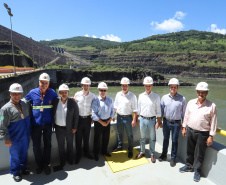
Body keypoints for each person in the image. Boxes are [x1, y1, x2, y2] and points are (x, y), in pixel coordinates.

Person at [179, 82, 217, 182]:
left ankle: (197, 171)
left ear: (207, 93)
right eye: (199, 92)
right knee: (189, 150)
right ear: (196, 92)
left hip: (203, 133)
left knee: (200, 153)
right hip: (190, 130)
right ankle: (188, 166)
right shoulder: (191, 102)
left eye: (203, 92)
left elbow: (214, 122)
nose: (200, 94)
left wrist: (211, 136)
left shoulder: (212, 106)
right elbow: (186, 116)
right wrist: (184, 127)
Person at [25, 73, 58, 175]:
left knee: (48, 145)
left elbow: (60, 100)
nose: (44, 84)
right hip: (35, 124)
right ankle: (39, 165)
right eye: (42, 82)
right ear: (39, 82)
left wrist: (71, 99)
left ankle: (46, 165)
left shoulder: (52, 93)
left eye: (46, 83)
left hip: (48, 124)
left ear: (48, 83)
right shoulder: (32, 93)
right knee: (36, 146)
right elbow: (23, 102)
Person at [0, 83, 31, 182]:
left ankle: (22, 168)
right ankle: (15, 172)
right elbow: (2, 125)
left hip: (25, 136)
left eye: (18, 93)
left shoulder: (24, 104)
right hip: (14, 138)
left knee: (24, 153)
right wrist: (6, 138)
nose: (17, 96)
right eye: (14, 94)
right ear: (10, 94)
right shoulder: (4, 109)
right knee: (15, 156)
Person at [159, 78, 186, 167]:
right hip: (166, 122)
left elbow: (184, 113)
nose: (173, 88)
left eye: (175, 87)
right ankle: (164, 155)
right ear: (169, 87)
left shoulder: (182, 99)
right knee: (165, 139)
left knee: (175, 141)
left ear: (177, 87)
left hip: (176, 123)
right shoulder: (164, 98)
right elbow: (161, 111)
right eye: (171, 87)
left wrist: (184, 125)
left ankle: (173, 158)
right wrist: (159, 121)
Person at [136, 76, 162, 163]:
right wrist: (136, 119)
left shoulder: (156, 97)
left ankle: (152, 154)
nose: (148, 87)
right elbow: (138, 109)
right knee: (142, 137)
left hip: (152, 120)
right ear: (144, 86)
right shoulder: (140, 96)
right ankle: (142, 151)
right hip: (142, 119)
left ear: (152, 85)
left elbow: (158, 111)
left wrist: (158, 121)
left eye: (149, 85)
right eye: (146, 85)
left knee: (152, 138)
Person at [52, 84, 79, 167]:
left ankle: (70, 159)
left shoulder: (72, 102)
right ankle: (62, 161)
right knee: (61, 146)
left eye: (65, 92)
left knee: (70, 145)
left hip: (69, 128)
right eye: (62, 92)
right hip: (59, 128)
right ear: (59, 93)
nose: (64, 94)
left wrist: (75, 127)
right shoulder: (55, 101)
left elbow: (76, 116)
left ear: (68, 93)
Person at [113, 77, 138, 158]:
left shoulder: (132, 96)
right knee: (119, 133)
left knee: (130, 135)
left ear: (128, 86)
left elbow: (135, 110)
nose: (124, 87)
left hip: (128, 118)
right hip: (119, 117)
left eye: (126, 85)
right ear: (121, 86)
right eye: (123, 85)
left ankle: (130, 149)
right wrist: (113, 115)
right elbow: (115, 106)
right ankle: (120, 146)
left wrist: (134, 120)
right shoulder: (118, 94)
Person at [74, 77, 95, 164]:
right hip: (79, 120)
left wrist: (93, 117)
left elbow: (94, 108)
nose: (86, 87)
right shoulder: (77, 94)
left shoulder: (92, 96)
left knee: (86, 137)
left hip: (87, 119)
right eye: (84, 85)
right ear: (82, 86)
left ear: (89, 86)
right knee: (78, 138)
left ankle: (86, 153)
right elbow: (74, 107)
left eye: (87, 85)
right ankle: (78, 155)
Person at [91, 82, 115, 161]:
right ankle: (96, 153)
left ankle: (104, 151)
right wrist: (102, 122)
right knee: (97, 139)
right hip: (98, 122)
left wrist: (108, 121)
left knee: (106, 138)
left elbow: (112, 111)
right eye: (101, 90)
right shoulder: (96, 101)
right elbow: (94, 114)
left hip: (107, 121)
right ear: (98, 90)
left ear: (106, 91)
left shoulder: (110, 99)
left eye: (104, 90)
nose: (103, 92)